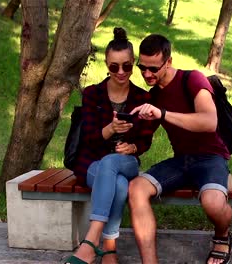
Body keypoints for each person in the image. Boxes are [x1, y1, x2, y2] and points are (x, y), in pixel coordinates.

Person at [129, 34, 232, 264]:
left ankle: (223, 236)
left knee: (213, 203)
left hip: (211, 158)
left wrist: (163, 113)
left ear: (168, 61)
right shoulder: (155, 94)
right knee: (136, 188)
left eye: (153, 68)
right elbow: (145, 137)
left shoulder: (192, 79)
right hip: (181, 161)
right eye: (142, 68)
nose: (147, 74)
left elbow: (209, 122)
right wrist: (131, 144)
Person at [65, 27, 158, 264]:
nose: (120, 72)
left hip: (125, 161)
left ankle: (90, 241)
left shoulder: (142, 98)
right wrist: (110, 130)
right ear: (106, 64)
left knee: (114, 165)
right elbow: (87, 139)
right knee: (116, 184)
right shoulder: (92, 94)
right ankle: (109, 249)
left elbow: (145, 139)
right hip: (91, 162)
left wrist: (133, 148)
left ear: (133, 62)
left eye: (127, 66)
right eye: (114, 66)